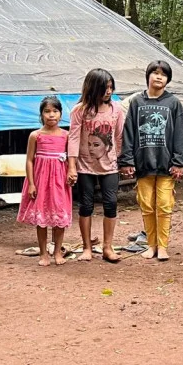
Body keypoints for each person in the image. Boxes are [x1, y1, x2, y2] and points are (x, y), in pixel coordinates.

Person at [119, 61, 183, 261]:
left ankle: (163, 246)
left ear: (168, 79)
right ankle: (151, 245)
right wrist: (127, 160)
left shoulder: (173, 103)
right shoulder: (137, 102)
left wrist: (179, 162)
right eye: (155, 73)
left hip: (166, 164)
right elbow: (129, 132)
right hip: (143, 163)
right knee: (147, 205)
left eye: (163, 74)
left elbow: (180, 133)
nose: (159, 77)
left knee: (165, 205)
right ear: (148, 76)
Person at [68, 69, 125, 263]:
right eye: (104, 88)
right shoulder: (80, 110)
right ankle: (87, 247)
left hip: (110, 165)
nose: (108, 91)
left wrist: (121, 160)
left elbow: (119, 136)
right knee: (86, 205)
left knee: (111, 203)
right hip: (85, 166)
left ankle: (108, 247)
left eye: (111, 87)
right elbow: (73, 138)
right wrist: (72, 166)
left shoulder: (116, 109)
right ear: (93, 88)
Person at [17, 96, 72, 266]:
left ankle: (57, 252)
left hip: (59, 181)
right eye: (47, 111)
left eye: (55, 111)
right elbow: (29, 160)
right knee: (41, 218)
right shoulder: (35, 135)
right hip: (40, 180)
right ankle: (43, 254)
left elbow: (72, 158)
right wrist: (31, 184)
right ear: (41, 114)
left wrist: (71, 172)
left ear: (61, 114)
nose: (51, 115)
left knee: (59, 216)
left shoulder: (66, 135)